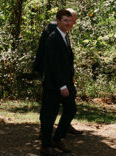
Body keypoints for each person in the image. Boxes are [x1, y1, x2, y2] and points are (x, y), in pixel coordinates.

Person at [33, 8, 82, 137]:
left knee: (69, 105)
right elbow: (51, 56)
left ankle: (63, 128)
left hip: (61, 75)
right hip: (50, 73)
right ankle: (45, 135)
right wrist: (59, 81)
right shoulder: (54, 30)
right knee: (50, 108)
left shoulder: (64, 30)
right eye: (70, 21)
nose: (72, 24)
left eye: (73, 21)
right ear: (60, 20)